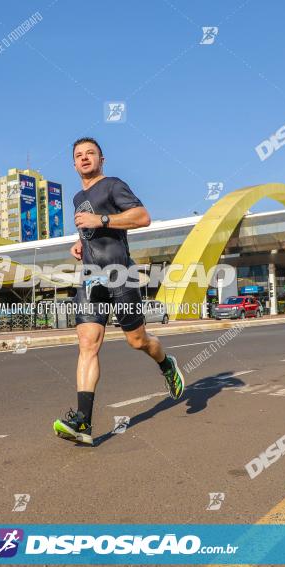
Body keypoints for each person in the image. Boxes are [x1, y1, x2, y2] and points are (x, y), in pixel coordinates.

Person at [52, 137, 185, 446]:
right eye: (79, 156)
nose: (84, 159)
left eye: (90, 154)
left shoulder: (112, 185)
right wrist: (80, 242)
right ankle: (83, 421)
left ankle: (167, 364)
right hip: (91, 278)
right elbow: (91, 231)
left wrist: (102, 219)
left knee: (137, 341)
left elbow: (142, 216)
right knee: (88, 344)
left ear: (101, 159)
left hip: (121, 275)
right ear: (73, 164)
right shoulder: (76, 197)